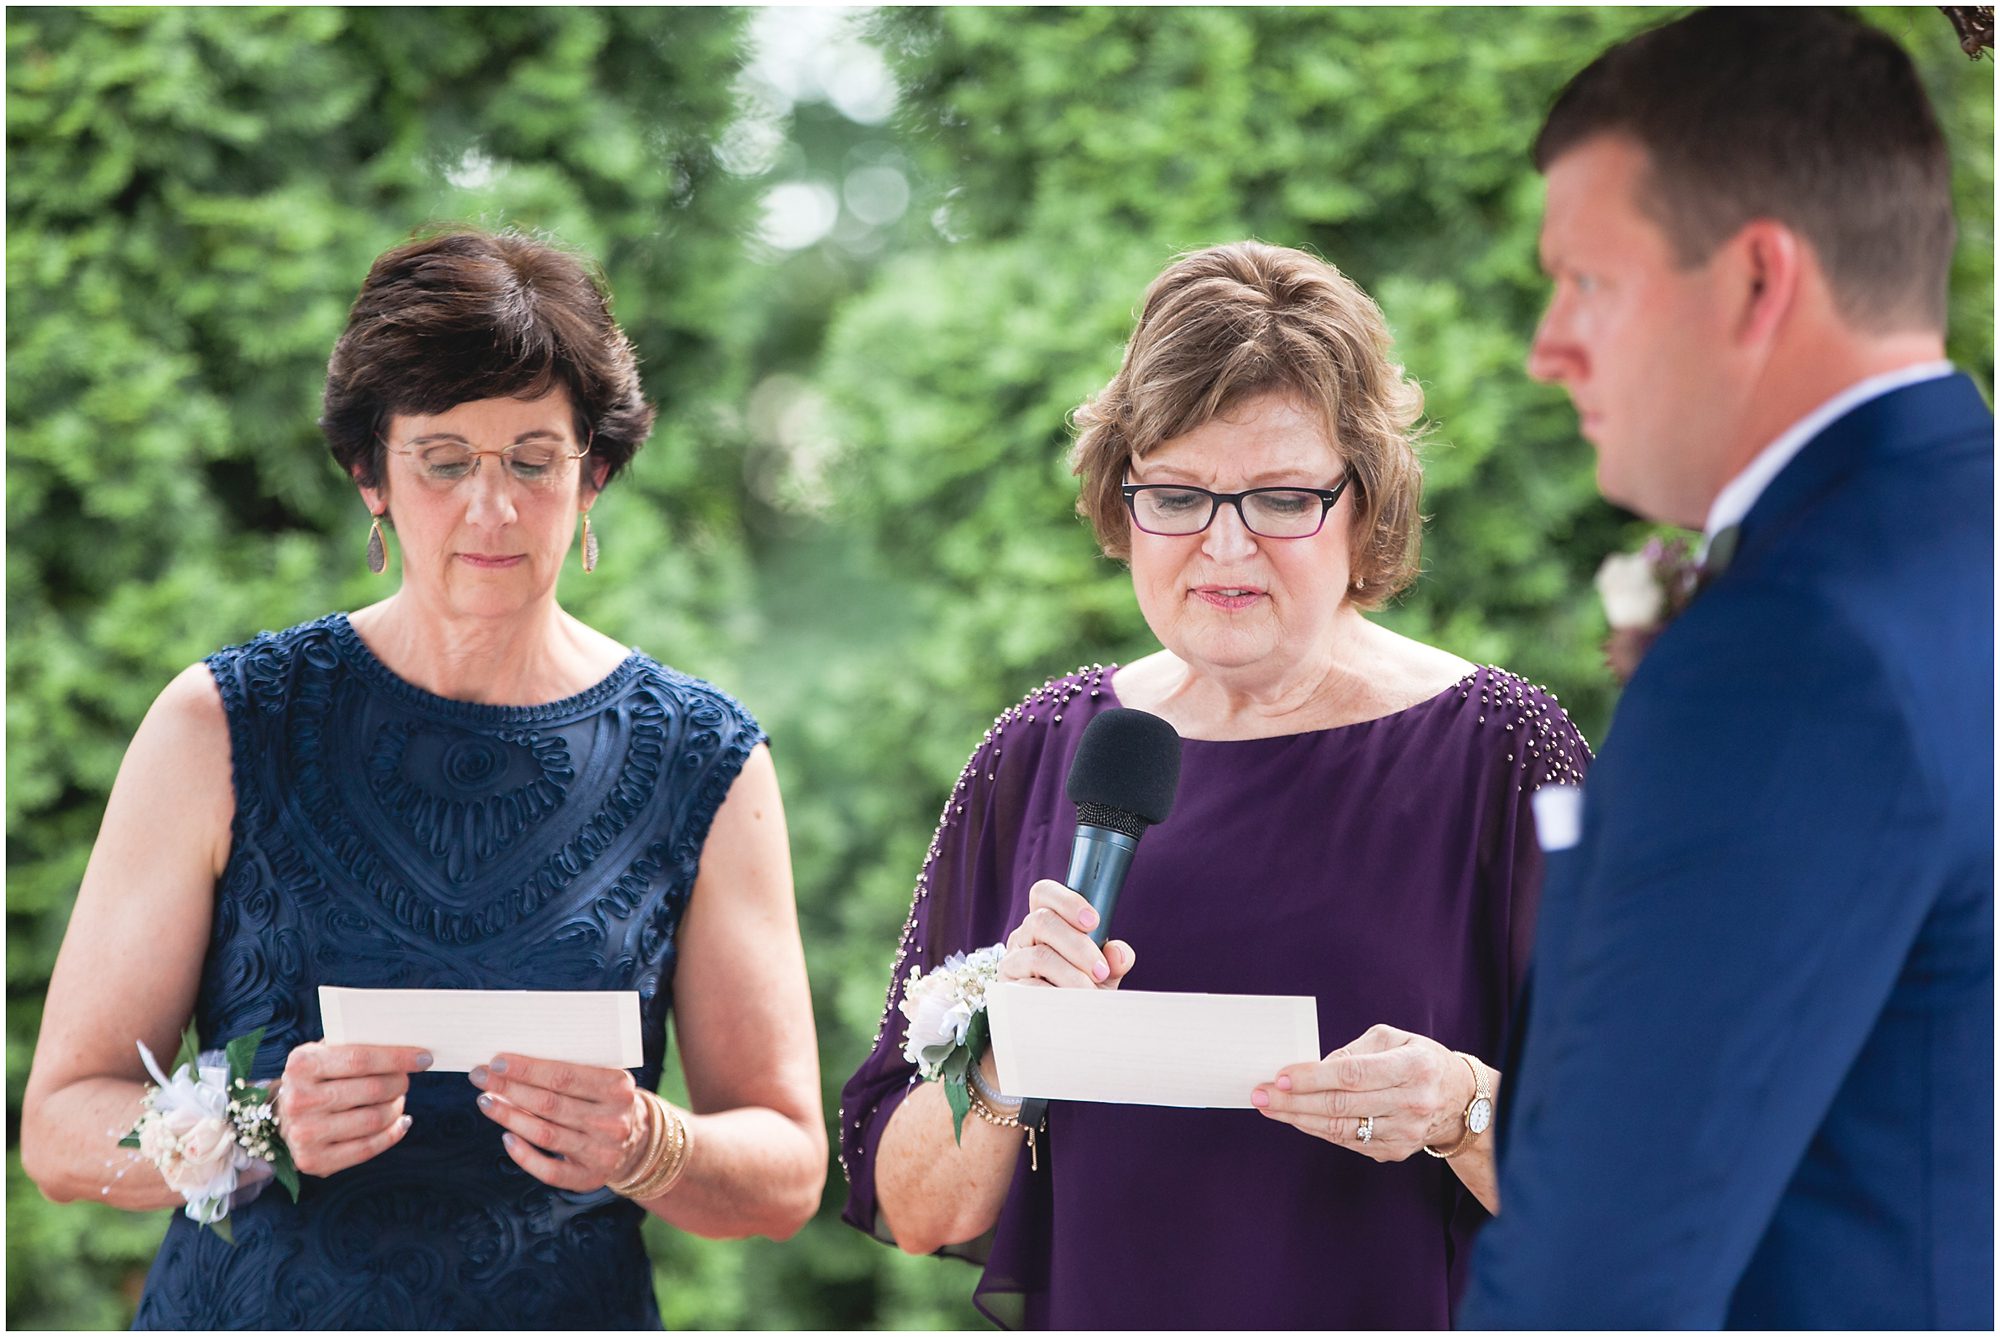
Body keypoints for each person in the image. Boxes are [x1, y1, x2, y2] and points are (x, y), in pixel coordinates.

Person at [19, 230, 826, 1328]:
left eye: (532, 459)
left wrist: (649, 1141)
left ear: (590, 474)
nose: (490, 508)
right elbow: (61, 1128)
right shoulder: (219, 723)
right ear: (373, 475)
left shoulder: (705, 757)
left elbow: (785, 1169)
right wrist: (252, 1128)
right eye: (444, 459)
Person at [838, 241, 1592, 1329]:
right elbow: (910, 1202)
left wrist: (1465, 1109)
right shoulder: (1040, 750)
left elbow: (1640, 1179)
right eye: (1178, 494)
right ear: (1120, 496)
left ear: (1363, 503)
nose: (1223, 547)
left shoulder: (1501, 753)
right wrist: (1008, 1043)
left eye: (1281, 497)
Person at [1462, 10, 1992, 1328]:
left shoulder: (1794, 654)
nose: (1548, 347)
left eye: (1584, 280)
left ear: (1759, 279)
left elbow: (1596, 1286)